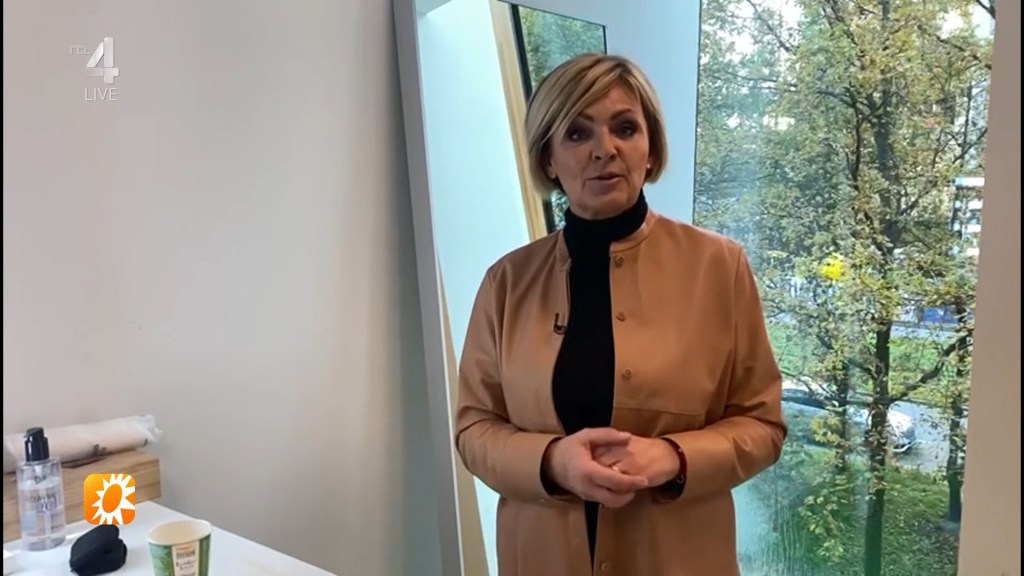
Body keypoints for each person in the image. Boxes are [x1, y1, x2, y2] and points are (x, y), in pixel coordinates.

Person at [454, 53, 787, 576]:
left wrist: (674, 457)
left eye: (625, 128)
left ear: (650, 149)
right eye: (577, 133)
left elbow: (762, 424)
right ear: (548, 159)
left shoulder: (719, 267)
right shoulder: (507, 282)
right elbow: (474, 429)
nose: (604, 150)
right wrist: (552, 461)